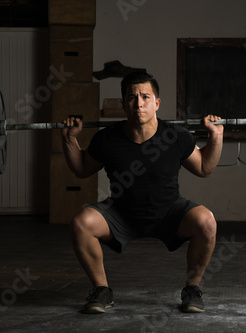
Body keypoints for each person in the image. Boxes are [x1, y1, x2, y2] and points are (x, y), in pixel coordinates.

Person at [61, 71, 223, 314]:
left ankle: (192, 289)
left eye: (145, 97)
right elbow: (83, 169)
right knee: (81, 222)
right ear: (123, 104)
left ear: (156, 103)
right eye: (131, 97)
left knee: (206, 221)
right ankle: (101, 290)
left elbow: (204, 168)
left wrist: (216, 137)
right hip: (120, 213)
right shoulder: (106, 138)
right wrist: (69, 140)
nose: (138, 103)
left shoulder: (176, 136)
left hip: (169, 212)